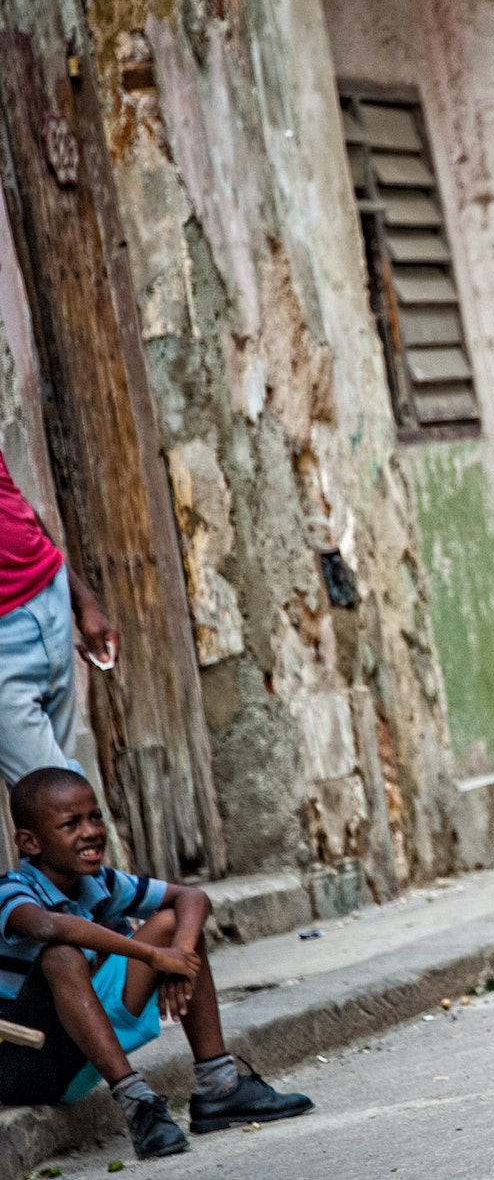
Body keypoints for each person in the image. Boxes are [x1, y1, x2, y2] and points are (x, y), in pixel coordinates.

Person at [0, 768, 311, 1158]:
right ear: (30, 842)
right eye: (70, 824)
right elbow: (48, 925)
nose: (91, 831)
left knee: (178, 921)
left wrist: (179, 954)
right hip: (21, 1064)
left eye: (95, 817)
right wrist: (151, 955)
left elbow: (193, 897)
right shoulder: (12, 889)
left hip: (81, 1050)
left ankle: (220, 1086)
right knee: (62, 954)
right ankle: (139, 1104)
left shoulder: (100, 882)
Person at [0, 450, 118, 785]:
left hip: (49, 598)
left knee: (64, 778)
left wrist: (84, 603)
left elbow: (14, 504)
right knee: (52, 800)